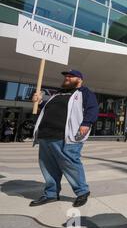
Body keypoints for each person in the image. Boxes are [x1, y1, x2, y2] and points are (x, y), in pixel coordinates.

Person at [30, 70, 98, 207]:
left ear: (79, 79)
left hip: (67, 136)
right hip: (46, 135)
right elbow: (47, 109)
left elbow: (93, 108)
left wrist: (86, 123)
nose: (67, 78)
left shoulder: (85, 93)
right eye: (66, 76)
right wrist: (39, 101)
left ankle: (82, 192)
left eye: (70, 76)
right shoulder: (57, 93)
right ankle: (51, 194)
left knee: (71, 164)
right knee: (48, 167)